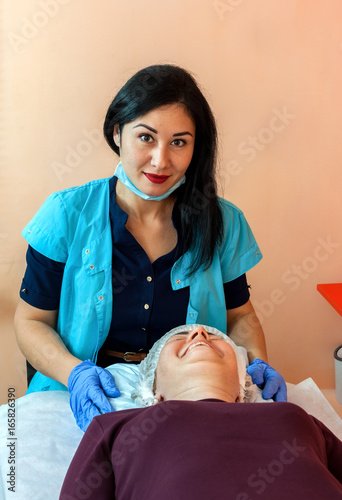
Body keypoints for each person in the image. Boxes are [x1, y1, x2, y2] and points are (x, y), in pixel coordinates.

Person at [14, 64, 285, 432]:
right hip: (84, 393)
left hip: (188, 397)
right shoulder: (66, 215)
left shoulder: (223, 223)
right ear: (117, 132)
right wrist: (74, 374)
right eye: (146, 137)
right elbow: (31, 321)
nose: (161, 160)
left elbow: (240, 316)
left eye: (179, 142)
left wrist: (255, 365)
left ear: (195, 148)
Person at [59, 325, 342, 500]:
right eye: (180, 337)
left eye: (219, 339)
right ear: (154, 391)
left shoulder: (295, 416)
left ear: (242, 385)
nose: (200, 333)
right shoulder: (116, 427)